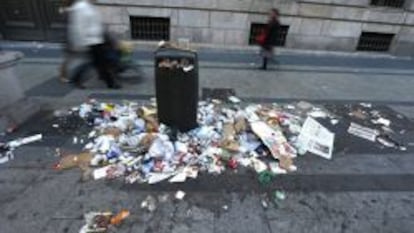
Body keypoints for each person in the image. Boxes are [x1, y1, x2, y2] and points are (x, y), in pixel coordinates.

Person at [68, 0, 121, 89]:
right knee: (99, 62)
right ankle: (110, 83)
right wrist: (82, 42)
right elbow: (79, 27)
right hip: (90, 41)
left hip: (97, 39)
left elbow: (96, 23)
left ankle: (76, 78)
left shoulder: (90, 6)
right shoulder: (80, 7)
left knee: (96, 62)